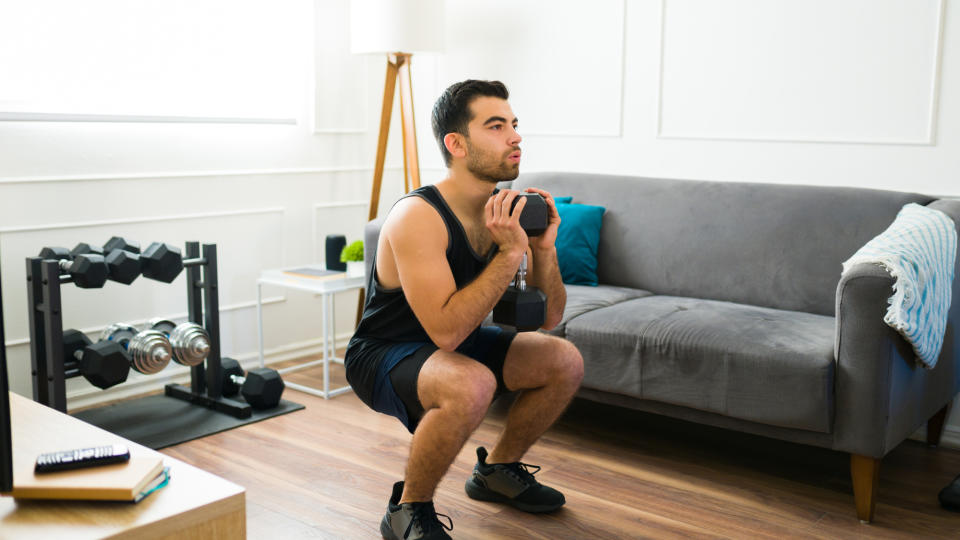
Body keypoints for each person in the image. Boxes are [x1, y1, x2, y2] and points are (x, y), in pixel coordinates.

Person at [345, 79, 584, 540]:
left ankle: (497, 471)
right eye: (496, 126)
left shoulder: (506, 210)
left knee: (563, 360)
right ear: (456, 144)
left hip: (456, 338)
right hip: (386, 351)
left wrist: (543, 249)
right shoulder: (419, 216)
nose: (515, 136)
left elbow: (549, 318)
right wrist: (510, 254)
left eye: (514, 125)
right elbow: (447, 335)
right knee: (473, 382)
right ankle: (407, 510)